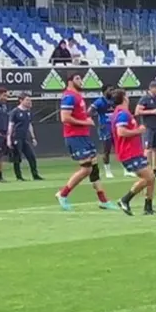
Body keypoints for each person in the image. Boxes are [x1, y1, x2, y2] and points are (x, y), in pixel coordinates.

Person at [55, 73, 118, 211]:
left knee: (94, 169)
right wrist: (85, 121)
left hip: (84, 136)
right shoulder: (69, 96)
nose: (81, 81)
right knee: (86, 169)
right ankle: (62, 194)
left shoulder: (77, 96)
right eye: (77, 78)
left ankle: (103, 201)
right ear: (70, 81)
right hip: (74, 137)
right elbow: (65, 118)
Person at [110, 88, 156, 216]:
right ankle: (125, 199)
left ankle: (148, 207)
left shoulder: (122, 113)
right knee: (149, 177)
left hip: (134, 151)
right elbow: (121, 132)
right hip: (129, 153)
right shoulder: (122, 114)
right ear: (125, 98)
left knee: (151, 177)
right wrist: (139, 131)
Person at [6, 94, 42, 181]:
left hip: (24, 138)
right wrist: (9, 139)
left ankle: (35, 175)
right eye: (27, 100)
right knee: (17, 158)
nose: (29, 102)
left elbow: (29, 125)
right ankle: (19, 177)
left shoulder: (28, 112)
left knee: (31, 156)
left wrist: (33, 137)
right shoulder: (15, 112)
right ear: (21, 100)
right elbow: (10, 125)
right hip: (16, 137)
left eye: (30, 100)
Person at [90, 88, 117, 179]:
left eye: (113, 90)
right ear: (105, 91)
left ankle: (126, 170)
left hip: (116, 126)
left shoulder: (115, 100)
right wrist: (91, 117)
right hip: (105, 127)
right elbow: (89, 111)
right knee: (107, 149)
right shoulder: (99, 102)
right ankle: (107, 171)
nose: (112, 92)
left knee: (121, 148)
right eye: (110, 90)